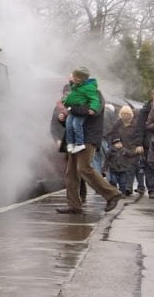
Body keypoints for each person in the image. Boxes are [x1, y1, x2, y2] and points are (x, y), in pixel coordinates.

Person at [56, 68, 123, 214]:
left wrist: (71, 108)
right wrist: (63, 118)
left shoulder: (95, 94)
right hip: (72, 138)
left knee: (84, 168)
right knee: (71, 173)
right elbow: (72, 116)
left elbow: (91, 112)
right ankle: (74, 205)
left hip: (87, 137)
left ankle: (112, 194)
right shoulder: (75, 94)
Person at [61, 68, 101, 153]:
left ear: (82, 78)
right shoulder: (76, 85)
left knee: (76, 125)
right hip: (73, 109)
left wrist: (93, 108)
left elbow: (95, 100)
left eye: (76, 77)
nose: (73, 78)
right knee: (69, 125)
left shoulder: (88, 88)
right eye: (74, 77)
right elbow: (71, 94)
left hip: (80, 110)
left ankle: (80, 144)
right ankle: (70, 143)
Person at [105, 106, 143, 195]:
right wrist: (114, 143)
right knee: (125, 168)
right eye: (123, 114)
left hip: (133, 149)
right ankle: (125, 187)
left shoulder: (135, 124)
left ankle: (128, 187)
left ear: (131, 115)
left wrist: (139, 145)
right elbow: (110, 134)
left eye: (127, 114)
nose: (125, 116)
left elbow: (139, 135)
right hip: (121, 150)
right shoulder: (117, 124)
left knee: (131, 168)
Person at [133, 95, 154, 198]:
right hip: (148, 143)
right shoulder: (144, 111)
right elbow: (139, 128)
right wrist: (139, 144)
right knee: (148, 168)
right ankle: (152, 190)